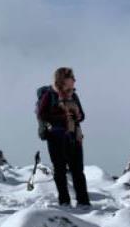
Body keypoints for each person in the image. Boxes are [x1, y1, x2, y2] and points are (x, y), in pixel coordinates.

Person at [37, 67, 91, 207]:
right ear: (62, 79)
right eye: (71, 77)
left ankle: (83, 202)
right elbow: (42, 114)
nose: (74, 80)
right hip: (56, 137)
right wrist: (63, 117)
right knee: (60, 169)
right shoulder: (49, 95)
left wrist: (78, 116)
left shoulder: (74, 95)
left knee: (77, 170)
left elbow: (82, 115)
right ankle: (64, 201)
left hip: (74, 136)